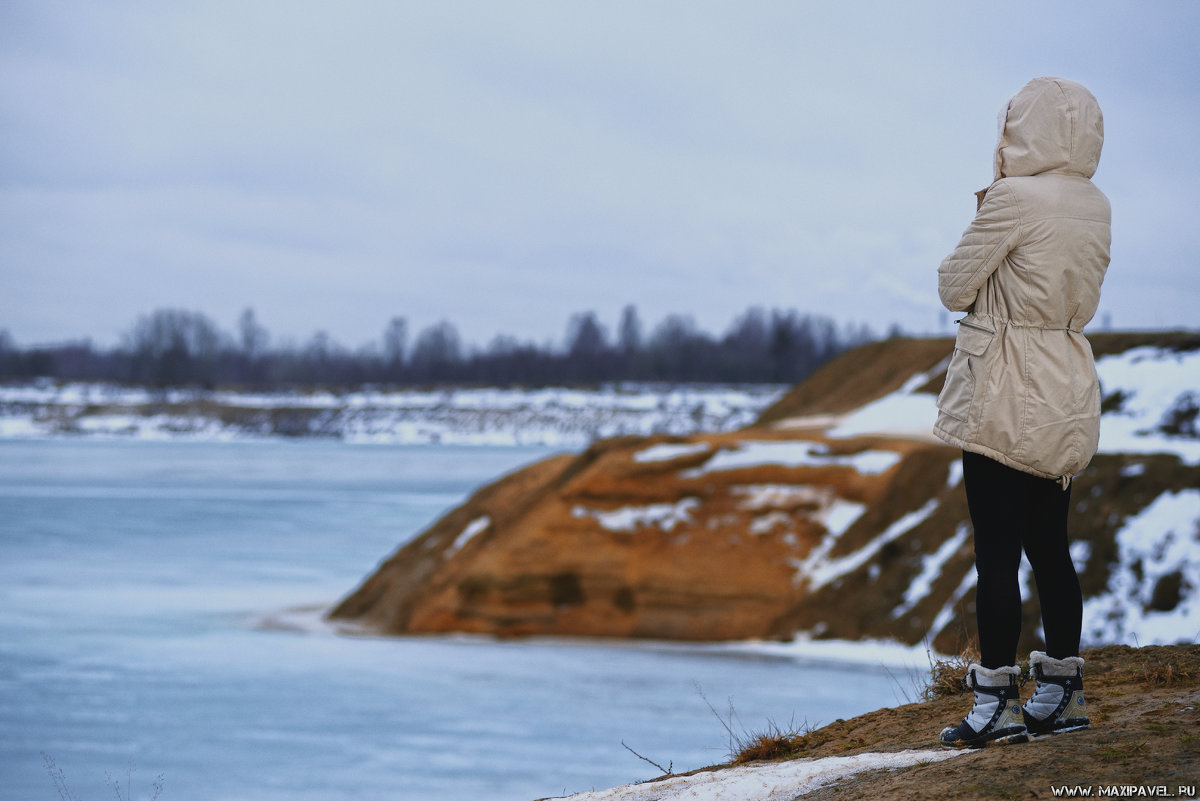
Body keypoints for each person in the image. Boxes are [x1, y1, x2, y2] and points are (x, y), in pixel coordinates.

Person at [933, 77, 1111, 749]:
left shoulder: (1011, 199)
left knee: (996, 554)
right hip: (1065, 380)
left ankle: (995, 703)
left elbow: (954, 282)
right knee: (1050, 548)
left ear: (1020, 129)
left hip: (1004, 386)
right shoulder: (1097, 205)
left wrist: (986, 206)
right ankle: (1063, 690)